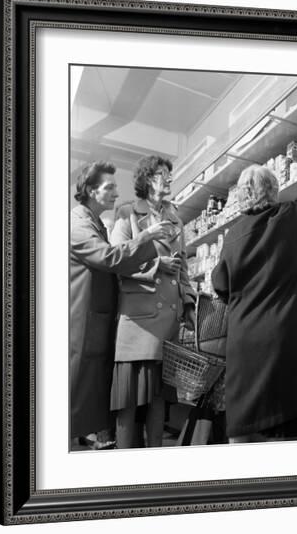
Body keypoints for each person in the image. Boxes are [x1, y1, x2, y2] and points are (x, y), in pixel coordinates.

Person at [211, 148, 297, 443]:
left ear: (242, 196)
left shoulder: (232, 236)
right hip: (284, 340)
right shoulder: (289, 217)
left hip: (245, 341)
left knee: (246, 428)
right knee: (289, 424)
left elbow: (221, 285)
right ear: (273, 190)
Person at [70, 161, 172, 450]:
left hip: (99, 321)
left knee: (91, 397)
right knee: (77, 395)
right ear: (90, 190)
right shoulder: (77, 223)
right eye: (110, 187)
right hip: (84, 321)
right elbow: (110, 259)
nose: (116, 193)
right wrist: (146, 238)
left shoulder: (96, 222)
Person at [110, 155, 196, 448]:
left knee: (158, 399)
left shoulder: (176, 217)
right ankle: (124, 471)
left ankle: (156, 465)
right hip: (138, 320)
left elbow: (183, 266)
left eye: (169, 175)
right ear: (147, 180)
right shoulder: (127, 213)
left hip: (168, 320)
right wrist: (154, 264)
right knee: (129, 401)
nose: (169, 179)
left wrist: (189, 303)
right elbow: (115, 260)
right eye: (162, 174)